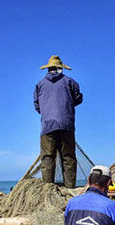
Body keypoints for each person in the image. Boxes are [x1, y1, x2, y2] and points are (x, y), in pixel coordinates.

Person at [34, 55, 83, 188]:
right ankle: (70, 189)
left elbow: (37, 105)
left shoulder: (40, 84)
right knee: (68, 157)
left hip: (47, 125)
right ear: (60, 68)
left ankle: (48, 189)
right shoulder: (70, 81)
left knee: (48, 158)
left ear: (48, 69)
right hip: (66, 124)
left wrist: (47, 111)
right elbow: (78, 99)